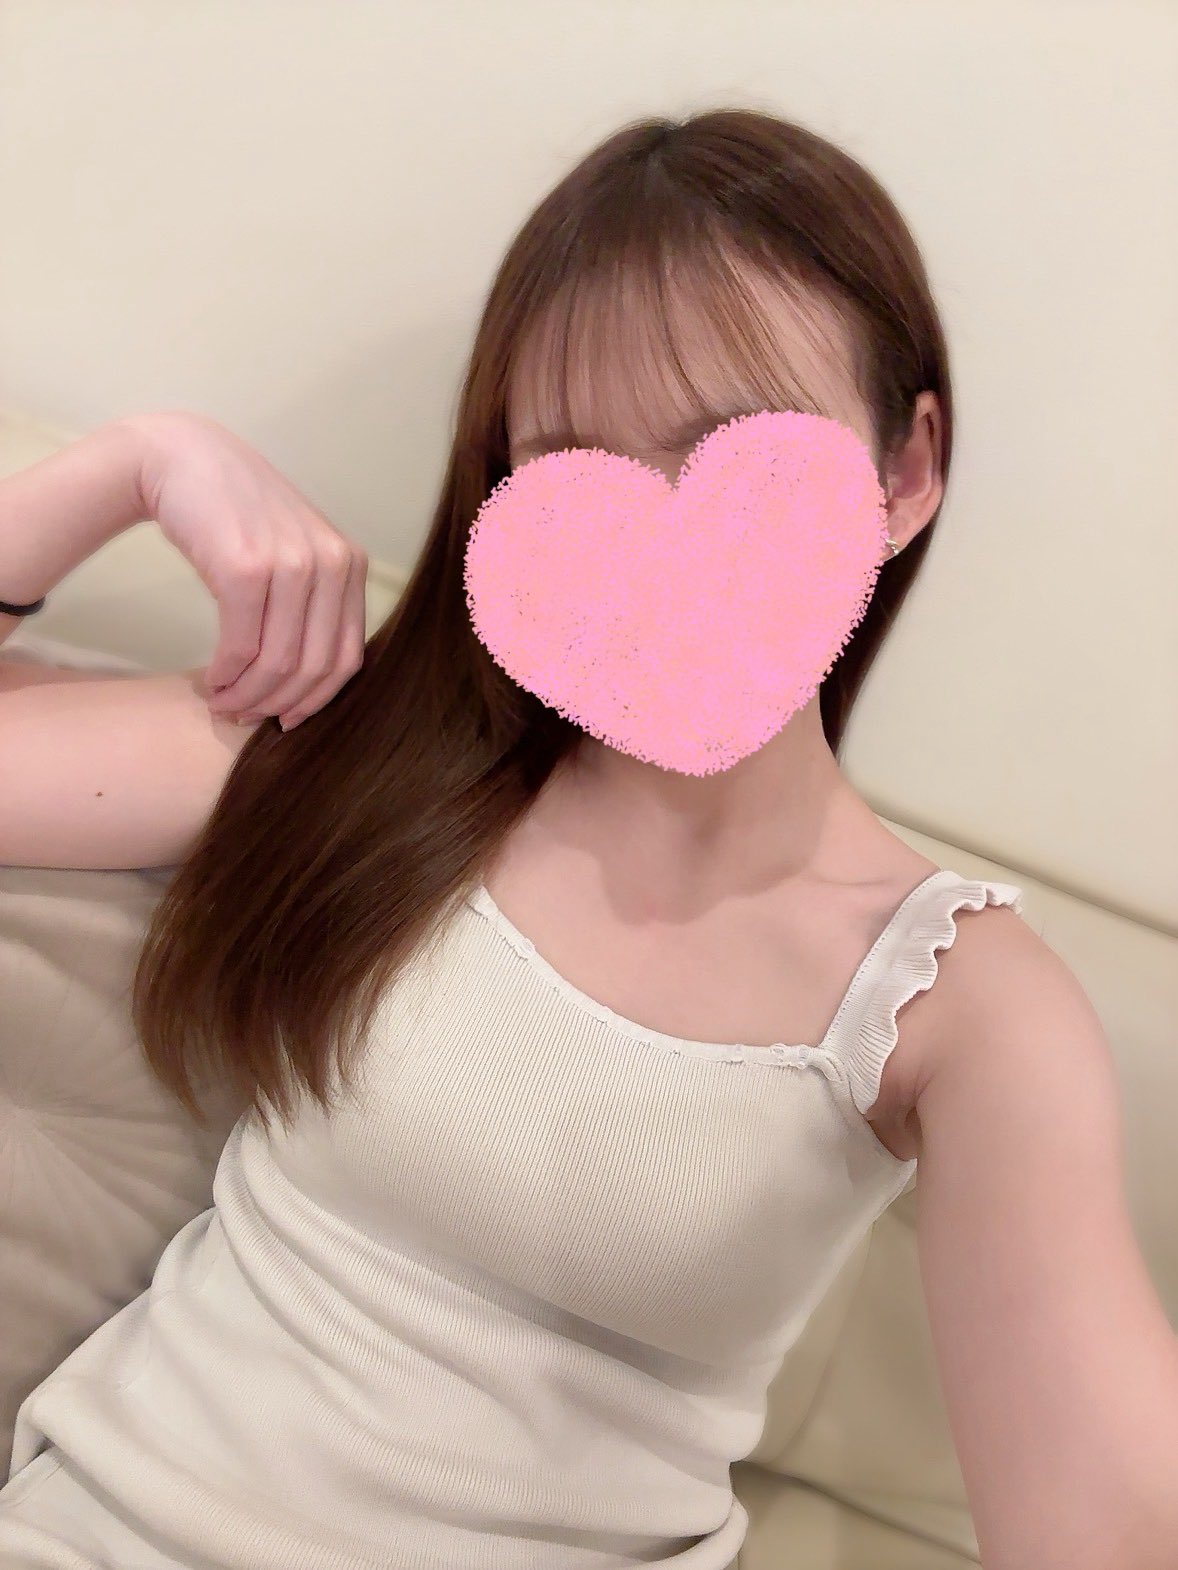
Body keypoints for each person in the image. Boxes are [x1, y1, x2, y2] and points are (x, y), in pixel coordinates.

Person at [2, 106, 1176, 1570]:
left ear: (904, 470)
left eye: (734, 451)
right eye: (569, 468)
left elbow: (1106, 1518)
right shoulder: (361, 752)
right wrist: (133, 464)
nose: (660, 539)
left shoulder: (957, 1000)